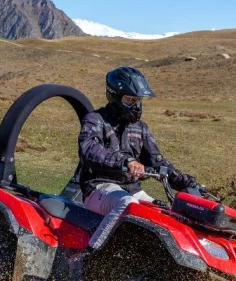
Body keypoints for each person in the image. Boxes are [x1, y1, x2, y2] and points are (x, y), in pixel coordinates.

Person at [78, 66, 197, 250]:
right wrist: (126, 161)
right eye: (130, 99)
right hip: (98, 188)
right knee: (128, 204)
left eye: (138, 100)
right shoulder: (95, 120)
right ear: (114, 97)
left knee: (166, 214)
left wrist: (188, 183)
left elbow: (157, 161)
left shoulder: (141, 128)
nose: (136, 106)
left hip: (132, 190)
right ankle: (90, 253)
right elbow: (88, 150)